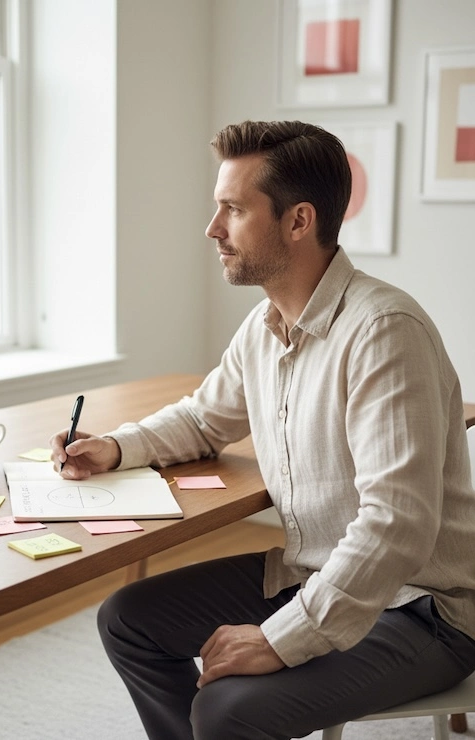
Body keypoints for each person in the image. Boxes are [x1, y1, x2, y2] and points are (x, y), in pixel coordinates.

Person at [48, 120, 475, 740]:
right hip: (311, 570)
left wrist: (282, 638)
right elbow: (203, 417)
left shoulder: (384, 331)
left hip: (422, 608)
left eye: (232, 209)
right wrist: (114, 447)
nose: (212, 228)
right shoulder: (265, 324)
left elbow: (396, 525)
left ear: (298, 221)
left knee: (228, 711)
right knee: (127, 620)